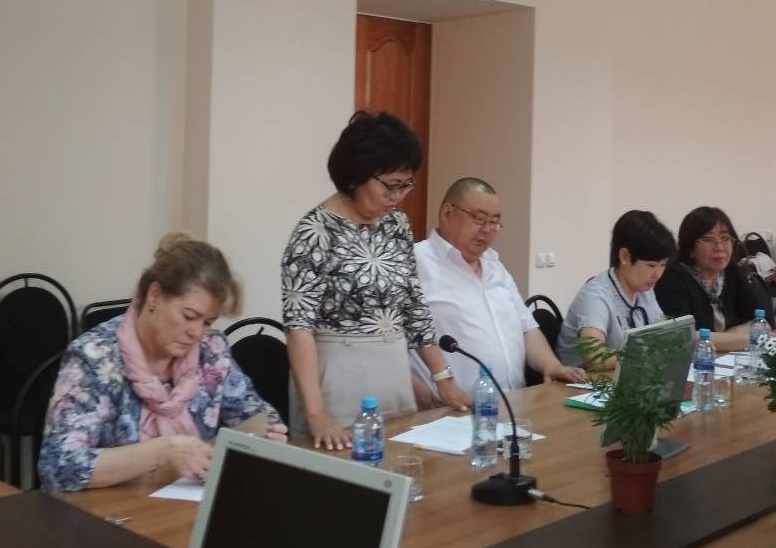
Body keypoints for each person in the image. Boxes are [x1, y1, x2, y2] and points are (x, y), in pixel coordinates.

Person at [39, 233, 286, 493]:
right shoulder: (95, 357)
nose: (196, 332)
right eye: (189, 316)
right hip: (109, 510)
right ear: (154, 295)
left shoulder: (211, 350)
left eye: (207, 322)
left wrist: (267, 431)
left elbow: (254, 414)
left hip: (181, 507)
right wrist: (163, 453)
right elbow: (58, 466)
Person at [281, 111, 468, 451]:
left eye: (406, 184)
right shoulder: (314, 232)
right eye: (390, 185)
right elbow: (298, 327)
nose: (398, 196)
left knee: (401, 462)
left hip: (393, 373)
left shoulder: (396, 224)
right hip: (336, 379)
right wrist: (317, 413)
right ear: (356, 175)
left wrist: (444, 379)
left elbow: (413, 304)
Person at [411, 177, 587, 402]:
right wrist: (423, 394)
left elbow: (527, 328)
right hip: (451, 410)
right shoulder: (414, 263)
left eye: (494, 222)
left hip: (513, 406)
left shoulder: (495, 267)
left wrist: (552, 365)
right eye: (479, 219)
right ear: (447, 213)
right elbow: (392, 347)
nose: (487, 230)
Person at [556, 210, 675, 369]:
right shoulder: (596, 295)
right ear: (624, 257)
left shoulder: (645, 291)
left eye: (663, 265)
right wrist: (644, 357)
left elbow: (664, 336)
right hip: (581, 381)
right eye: (651, 265)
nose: (658, 274)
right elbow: (595, 355)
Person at [654, 206, 774, 352]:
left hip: (728, 358)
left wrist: (721, 338)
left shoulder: (730, 271)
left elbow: (762, 323)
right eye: (708, 239)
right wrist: (745, 338)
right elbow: (683, 338)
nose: (719, 247)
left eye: (725, 238)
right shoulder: (673, 278)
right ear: (690, 248)